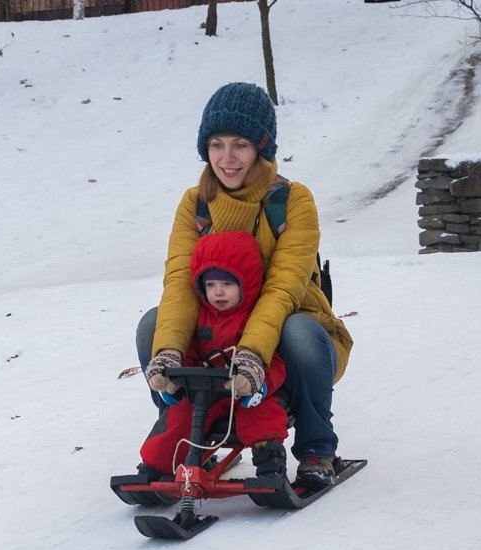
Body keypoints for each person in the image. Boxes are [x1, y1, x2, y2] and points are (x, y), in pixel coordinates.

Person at [137, 82, 353, 489]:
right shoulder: (194, 204)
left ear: (262, 147)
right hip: (216, 337)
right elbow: (181, 283)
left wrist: (252, 357)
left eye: (240, 144)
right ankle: (186, 437)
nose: (227, 158)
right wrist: (167, 354)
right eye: (217, 145)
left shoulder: (292, 200)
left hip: (292, 336)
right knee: (153, 325)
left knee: (298, 331)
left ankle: (317, 448)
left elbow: (282, 290)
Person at [139, 230, 290, 480]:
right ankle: (156, 466)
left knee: (263, 415)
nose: (218, 293)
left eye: (227, 284)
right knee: (179, 419)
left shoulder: (259, 318)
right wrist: (174, 380)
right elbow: (189, 353)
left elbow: (274, 360)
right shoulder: (199, 317)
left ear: (246, 282)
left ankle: (269, 461)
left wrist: (261, 385)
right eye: (211, 285)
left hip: (246, 393)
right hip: (206, 394)